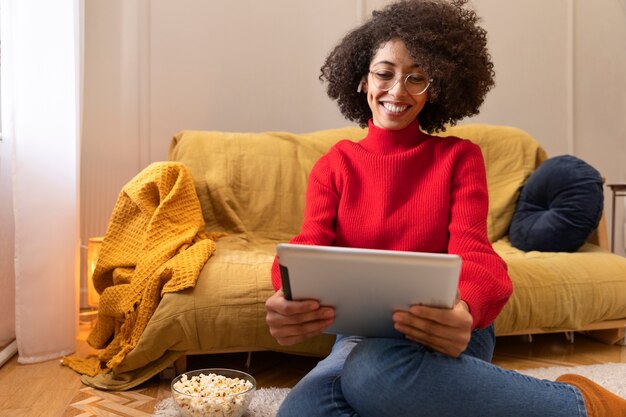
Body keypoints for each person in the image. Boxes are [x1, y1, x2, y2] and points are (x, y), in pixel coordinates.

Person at [264, 1, 626, 416]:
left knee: (373, 374)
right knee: (302, 411)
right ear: (363, 80)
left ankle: (586, 406)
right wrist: (286, 292)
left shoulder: (458, 158)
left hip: (445, 325)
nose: (397, 91)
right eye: (384, 73)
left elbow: (477, 253)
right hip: (358, 336)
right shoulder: (335, 164)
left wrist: (466, 310)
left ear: (436, 88)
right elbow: (308, 246)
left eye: (416, 78)